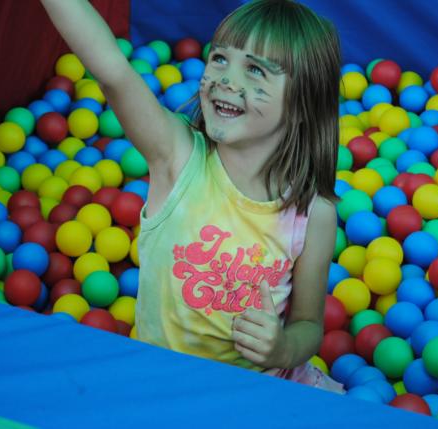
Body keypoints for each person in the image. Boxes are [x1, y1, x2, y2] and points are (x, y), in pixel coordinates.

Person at [40, 0, 343, 393]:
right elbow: (112, 70)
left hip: (257, 390)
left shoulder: (312, 214)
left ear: (303, 103)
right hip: (165, 383)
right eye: (219, 58)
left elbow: (308, 325)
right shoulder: (177, 156)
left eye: (254, 69)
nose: (226, 80)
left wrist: (282, 348)